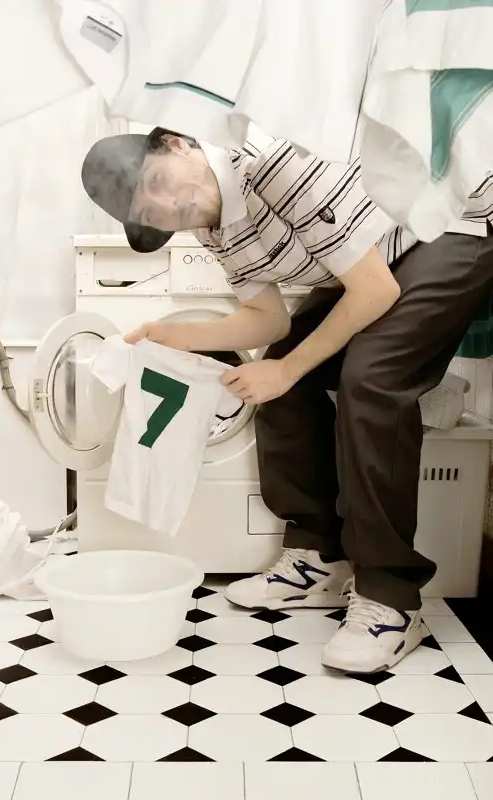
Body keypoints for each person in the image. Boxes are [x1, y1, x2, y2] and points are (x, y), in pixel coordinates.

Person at [81, 127, 493, 674]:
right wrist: (175, 335)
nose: (170, 206)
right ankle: (320, 558)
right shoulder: (210, 225)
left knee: (370, 380)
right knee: (280, 368)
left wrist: (287, 370)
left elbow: (374, 291)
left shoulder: (270, 164)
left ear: (179, 143)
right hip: (383, 256)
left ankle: (391, 600)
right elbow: (268, 319)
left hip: (449, 227)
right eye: (152, 214)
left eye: (158, 181)